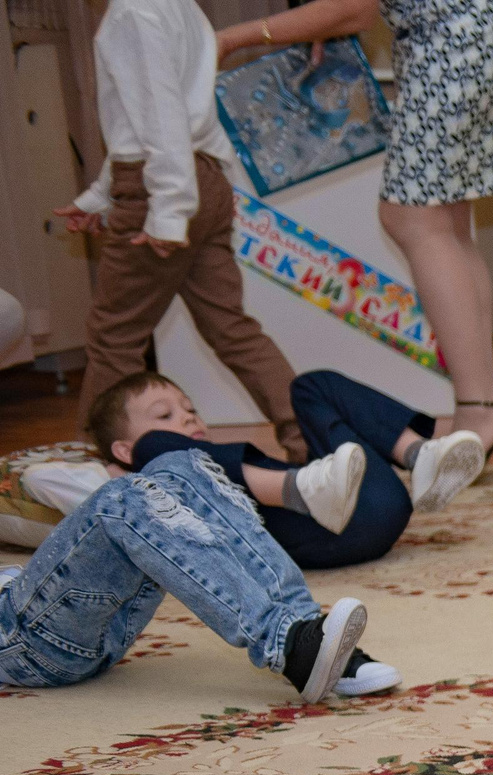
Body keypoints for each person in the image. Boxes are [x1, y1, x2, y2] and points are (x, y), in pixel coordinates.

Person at [218, 0, 493, 473]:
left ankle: (481, 408)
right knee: (444, 221)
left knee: (412, 218)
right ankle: (481, 407)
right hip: (473, 29)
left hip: (456, 38)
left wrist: (232, 39)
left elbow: (353, 9)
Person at [55, 0, 306, 458]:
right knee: (233, 328)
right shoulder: (178, 6)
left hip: (165, 184)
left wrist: (169, 210)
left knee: (115, 335)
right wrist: (102, 195)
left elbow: (161, 116)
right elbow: (153, 116)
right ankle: (310, 440)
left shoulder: (131, 13)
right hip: (202, 177)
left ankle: (99, 464)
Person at [0, 444, 386, 699]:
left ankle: (310, 635)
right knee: (120, 499)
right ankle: (285, 644)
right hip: (22, 641)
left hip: (54, 617)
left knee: (178, 463)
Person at [89, 369, 484, 573]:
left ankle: (419, 456)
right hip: (327, 534)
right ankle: (298, 488)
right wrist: (124, 468)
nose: (189, 417)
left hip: (366, 506)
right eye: (165, 414)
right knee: (158, 452)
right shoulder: (139, 479)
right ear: (120, 452)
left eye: (190, 409)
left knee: (312, 386)